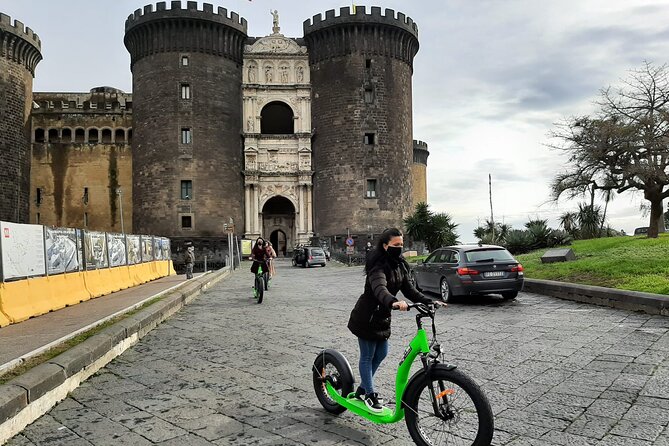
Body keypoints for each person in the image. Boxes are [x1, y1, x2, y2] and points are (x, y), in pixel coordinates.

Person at [347, 228, 445, 413]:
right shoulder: (377, 267)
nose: (399, 248)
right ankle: (369, 394)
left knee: (382, 352)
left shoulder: (400, 265)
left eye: (401, 244)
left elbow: (409, 290)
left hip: (382, 317)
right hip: (366, 317)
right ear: (385, 246)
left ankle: (362, 389)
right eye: (395, 245)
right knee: (367, 356)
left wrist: (428, 301)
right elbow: (380, 289)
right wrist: (393, 301)